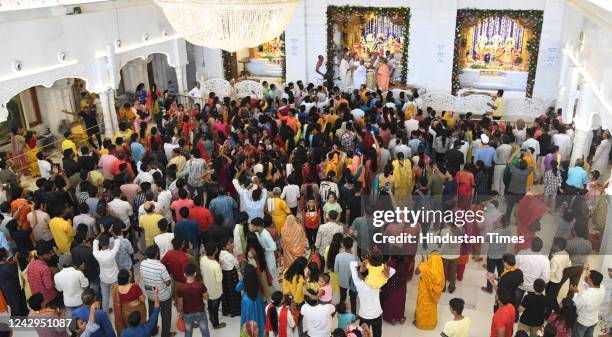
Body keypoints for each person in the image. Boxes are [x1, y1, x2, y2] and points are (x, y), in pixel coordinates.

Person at [139, 245, 172, 337]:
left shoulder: (142, 264)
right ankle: (165, 335)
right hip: (163, 296)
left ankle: (152, 331)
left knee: (153, 314)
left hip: (151, 294)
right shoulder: (161, 266)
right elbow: (167, 283)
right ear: (157, 254)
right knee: (166, 317)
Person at [176, 263, 211, 337]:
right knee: (205, 330)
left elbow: (180, 304)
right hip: (200, 311)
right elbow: (206, 297)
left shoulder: (180, 288)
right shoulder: (200, 285)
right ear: (195, 273)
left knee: (188, 332)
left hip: (187, 313)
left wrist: (180, 312)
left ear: (184, 274)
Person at [414, 251, 445, 330]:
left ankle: (421, 323)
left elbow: (416, 272)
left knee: (422, 306)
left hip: (424, 290)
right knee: (432, 307)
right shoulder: (439, 268)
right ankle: (431, 323)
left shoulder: (424, 267)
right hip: (433, 295)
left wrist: (422, 262)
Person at [93, 229, 121, 313]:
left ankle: (105, 317)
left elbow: (95, 242)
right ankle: (118, 314)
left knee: (105, 298)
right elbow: (117, 241)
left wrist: (101, 232)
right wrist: (112, 232)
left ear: (100, 244)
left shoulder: (97, 254)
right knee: (116, 297)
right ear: (108, 243)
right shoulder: (112, 253)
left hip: (103, 279)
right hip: (114, 279)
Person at [569, 270, 605, 337]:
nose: (586, 276)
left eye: (588, 276)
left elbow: (575, 305)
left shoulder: (586, 295)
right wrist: (586, 281)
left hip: (583, 322)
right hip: (594, 320)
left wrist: (575, 292)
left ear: (590, 280)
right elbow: (590, 288)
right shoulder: (602, 288)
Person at [111, 269, 146, 336]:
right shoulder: (134, 287)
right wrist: (138, 288)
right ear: (128, 278)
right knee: (138, 327)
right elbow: (143, 299)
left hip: (125, 314)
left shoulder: (115, 288)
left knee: (129, 327)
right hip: (136, 313)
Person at [200, 242, 225, 329]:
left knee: (210, 305)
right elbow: (219, 279)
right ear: (216, 251)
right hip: (215, 290)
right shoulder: (216, 266)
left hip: (206, 287)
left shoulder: (203, 259)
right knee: (215, 307)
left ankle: (211, 318)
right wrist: (220, 267)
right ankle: (216, 324)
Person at [237, 264, 266, 337]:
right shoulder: (257, 279)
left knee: (247, 318)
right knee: (260, 317)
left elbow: (237, 288)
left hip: (247, 301)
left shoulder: (244, 281)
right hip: (258, 299)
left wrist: (242, 278)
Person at [0, 247, 28, 316]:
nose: (8, 253)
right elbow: (18, 274)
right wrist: (17, 262)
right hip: (14, 289)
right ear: (3, 257)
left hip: (5, 289)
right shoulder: (8, 267)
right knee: (19, 304)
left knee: (13, 305)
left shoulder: (5, 265)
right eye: (6, 253)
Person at [218, 237, 241, 317]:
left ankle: (227, 310)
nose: (231, 245)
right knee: (234, 292)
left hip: (225, 274)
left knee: (227, 292)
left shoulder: (221, 253)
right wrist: (238, 259)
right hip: (232, 275)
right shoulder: (229, 255)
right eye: (229, 244)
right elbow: (236, 264)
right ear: (225, 246)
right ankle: (236, 310)